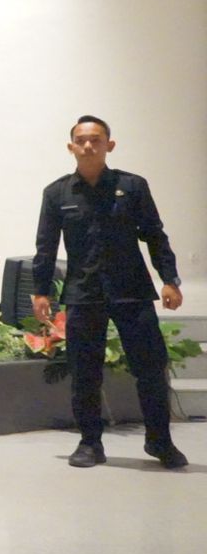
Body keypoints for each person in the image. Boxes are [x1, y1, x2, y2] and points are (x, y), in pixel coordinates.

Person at [32, 115, 187, 470]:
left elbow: (155, 235)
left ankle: (160, 441)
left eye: (96, 139)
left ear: (109, 145)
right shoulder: (56, 193)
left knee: (151, 368)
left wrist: (170, 279)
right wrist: (41, 292)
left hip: (131, 291)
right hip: (83, 293)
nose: (88, 146)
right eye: (81, 140)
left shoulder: (132, 187)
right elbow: (45, 246)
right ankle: (90, 443)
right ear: (71, 147)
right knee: (85, 372)